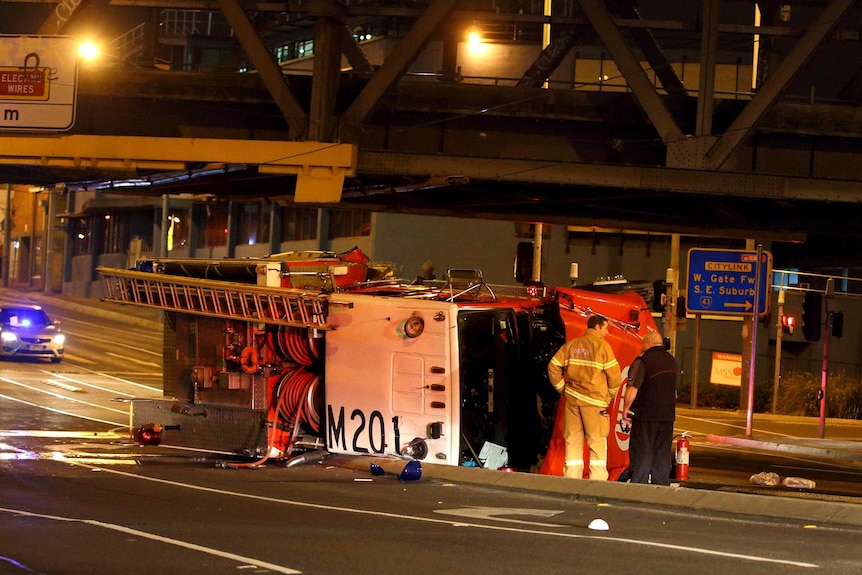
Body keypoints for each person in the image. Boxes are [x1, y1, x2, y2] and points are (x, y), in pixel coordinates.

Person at [547, 314, 621, 480]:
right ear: (597, 327)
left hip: (572, 400)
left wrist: (563, 389)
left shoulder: (572, 345)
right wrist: (609, 395)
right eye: (606, 328)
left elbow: (553, 367)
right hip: (594, 403)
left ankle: (572, 481)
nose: (607, 332)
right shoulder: (603, 347)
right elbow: (615, 377)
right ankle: (597, 483)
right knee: (597, 443)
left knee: (573, 441)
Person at [622, 331, 679, 485]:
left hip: (645, 415)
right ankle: (660, 486)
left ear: (647, 344)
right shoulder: (672, 361)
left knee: (643, 450)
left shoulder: (643, 361)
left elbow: (633, 388)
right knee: (662, 452)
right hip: (667, 416)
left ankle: (639, 485)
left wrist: (626, 409)